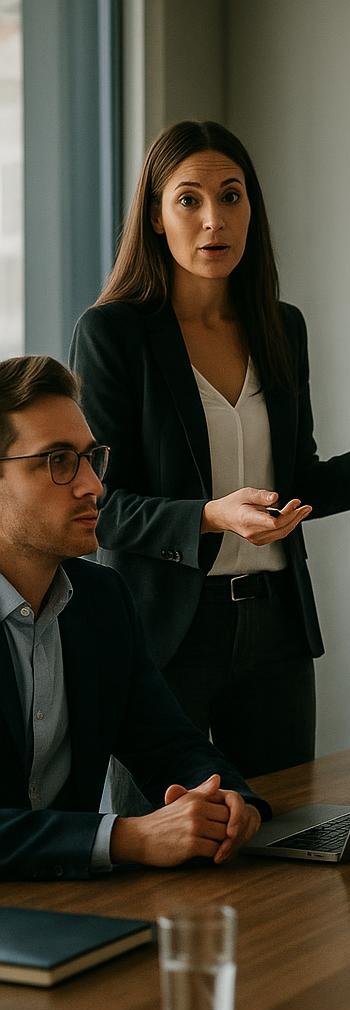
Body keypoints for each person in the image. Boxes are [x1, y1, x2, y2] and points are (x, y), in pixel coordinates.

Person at [70, 121, 350, 800]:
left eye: (231, 197)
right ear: (154, 215)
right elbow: (101, 507)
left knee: (284, 833)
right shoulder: (114, 333)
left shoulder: (280, 325)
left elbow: (295, 486)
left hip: (275, 630)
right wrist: (210, 517)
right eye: (189, 200)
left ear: (252, 210)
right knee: (169, 835)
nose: (213, 220)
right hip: (166, 631)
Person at [0, 355, 270, 880]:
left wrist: (233, 804)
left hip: (75, 910)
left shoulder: (101, 598)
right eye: (57, 461)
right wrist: (127, 836)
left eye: (89, 458)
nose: (92, 486)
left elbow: (168, 743)